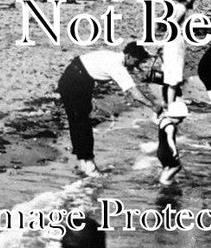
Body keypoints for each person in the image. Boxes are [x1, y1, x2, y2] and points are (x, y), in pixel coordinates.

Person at [57, 43, 160, 176]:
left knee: (80, 121)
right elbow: (134, 92)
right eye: (136, 61)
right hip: (75, 80)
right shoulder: (116, 66)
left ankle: (85, 162)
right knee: (81, 123)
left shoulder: (114, 57)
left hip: (77, 76)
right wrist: (154, 107)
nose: (137, 64)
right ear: (129, 56)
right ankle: (89, 166)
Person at [156, 99, 188, 184]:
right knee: (177, 166)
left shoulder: (163, 121)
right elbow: (170, 140)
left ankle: (165, 177)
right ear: (175, 116)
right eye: (181, 119)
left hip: (160, 151)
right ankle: (164, 180)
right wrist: (174, 150)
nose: (182, 121)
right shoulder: (171, 127)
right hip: (167, 151)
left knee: (167, 167)